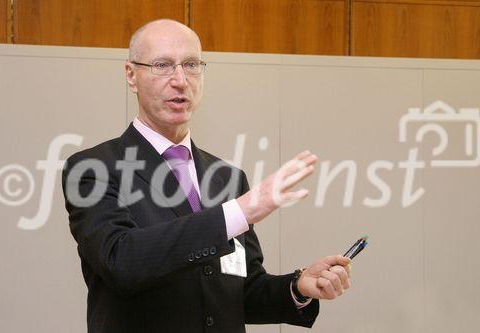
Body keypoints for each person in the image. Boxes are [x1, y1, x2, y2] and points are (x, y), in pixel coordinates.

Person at [62, 19, 352, 333]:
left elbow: (240, 292)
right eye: (162, 65)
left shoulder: (226, 177)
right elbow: (122, 262)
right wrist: (239, 212)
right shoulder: (93, 168)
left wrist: (297, 287)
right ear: (131, 75)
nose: (180, 80)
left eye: (191, 65)